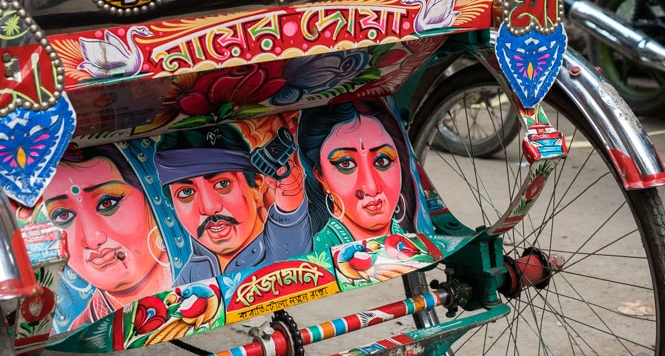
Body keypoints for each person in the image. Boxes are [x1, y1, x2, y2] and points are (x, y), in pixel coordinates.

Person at [156, 127, 312, 284]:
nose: (209, 208)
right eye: (186, 192)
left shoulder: (279, 249)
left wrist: (289, 209)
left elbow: (291, 247)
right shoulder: (188, 278)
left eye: (222, 184)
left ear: (257, 186)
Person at [42, 150, 173, 331]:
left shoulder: (211, 283)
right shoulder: (82, 332)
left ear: (150, 198)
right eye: (63, 215)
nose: (92, 239)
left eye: (107, 203)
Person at [299, 100, 418, 251]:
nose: (371, 188)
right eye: (346, 164)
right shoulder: (317, 252)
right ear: (321, 176)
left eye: (382, 160)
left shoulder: (409, 236)